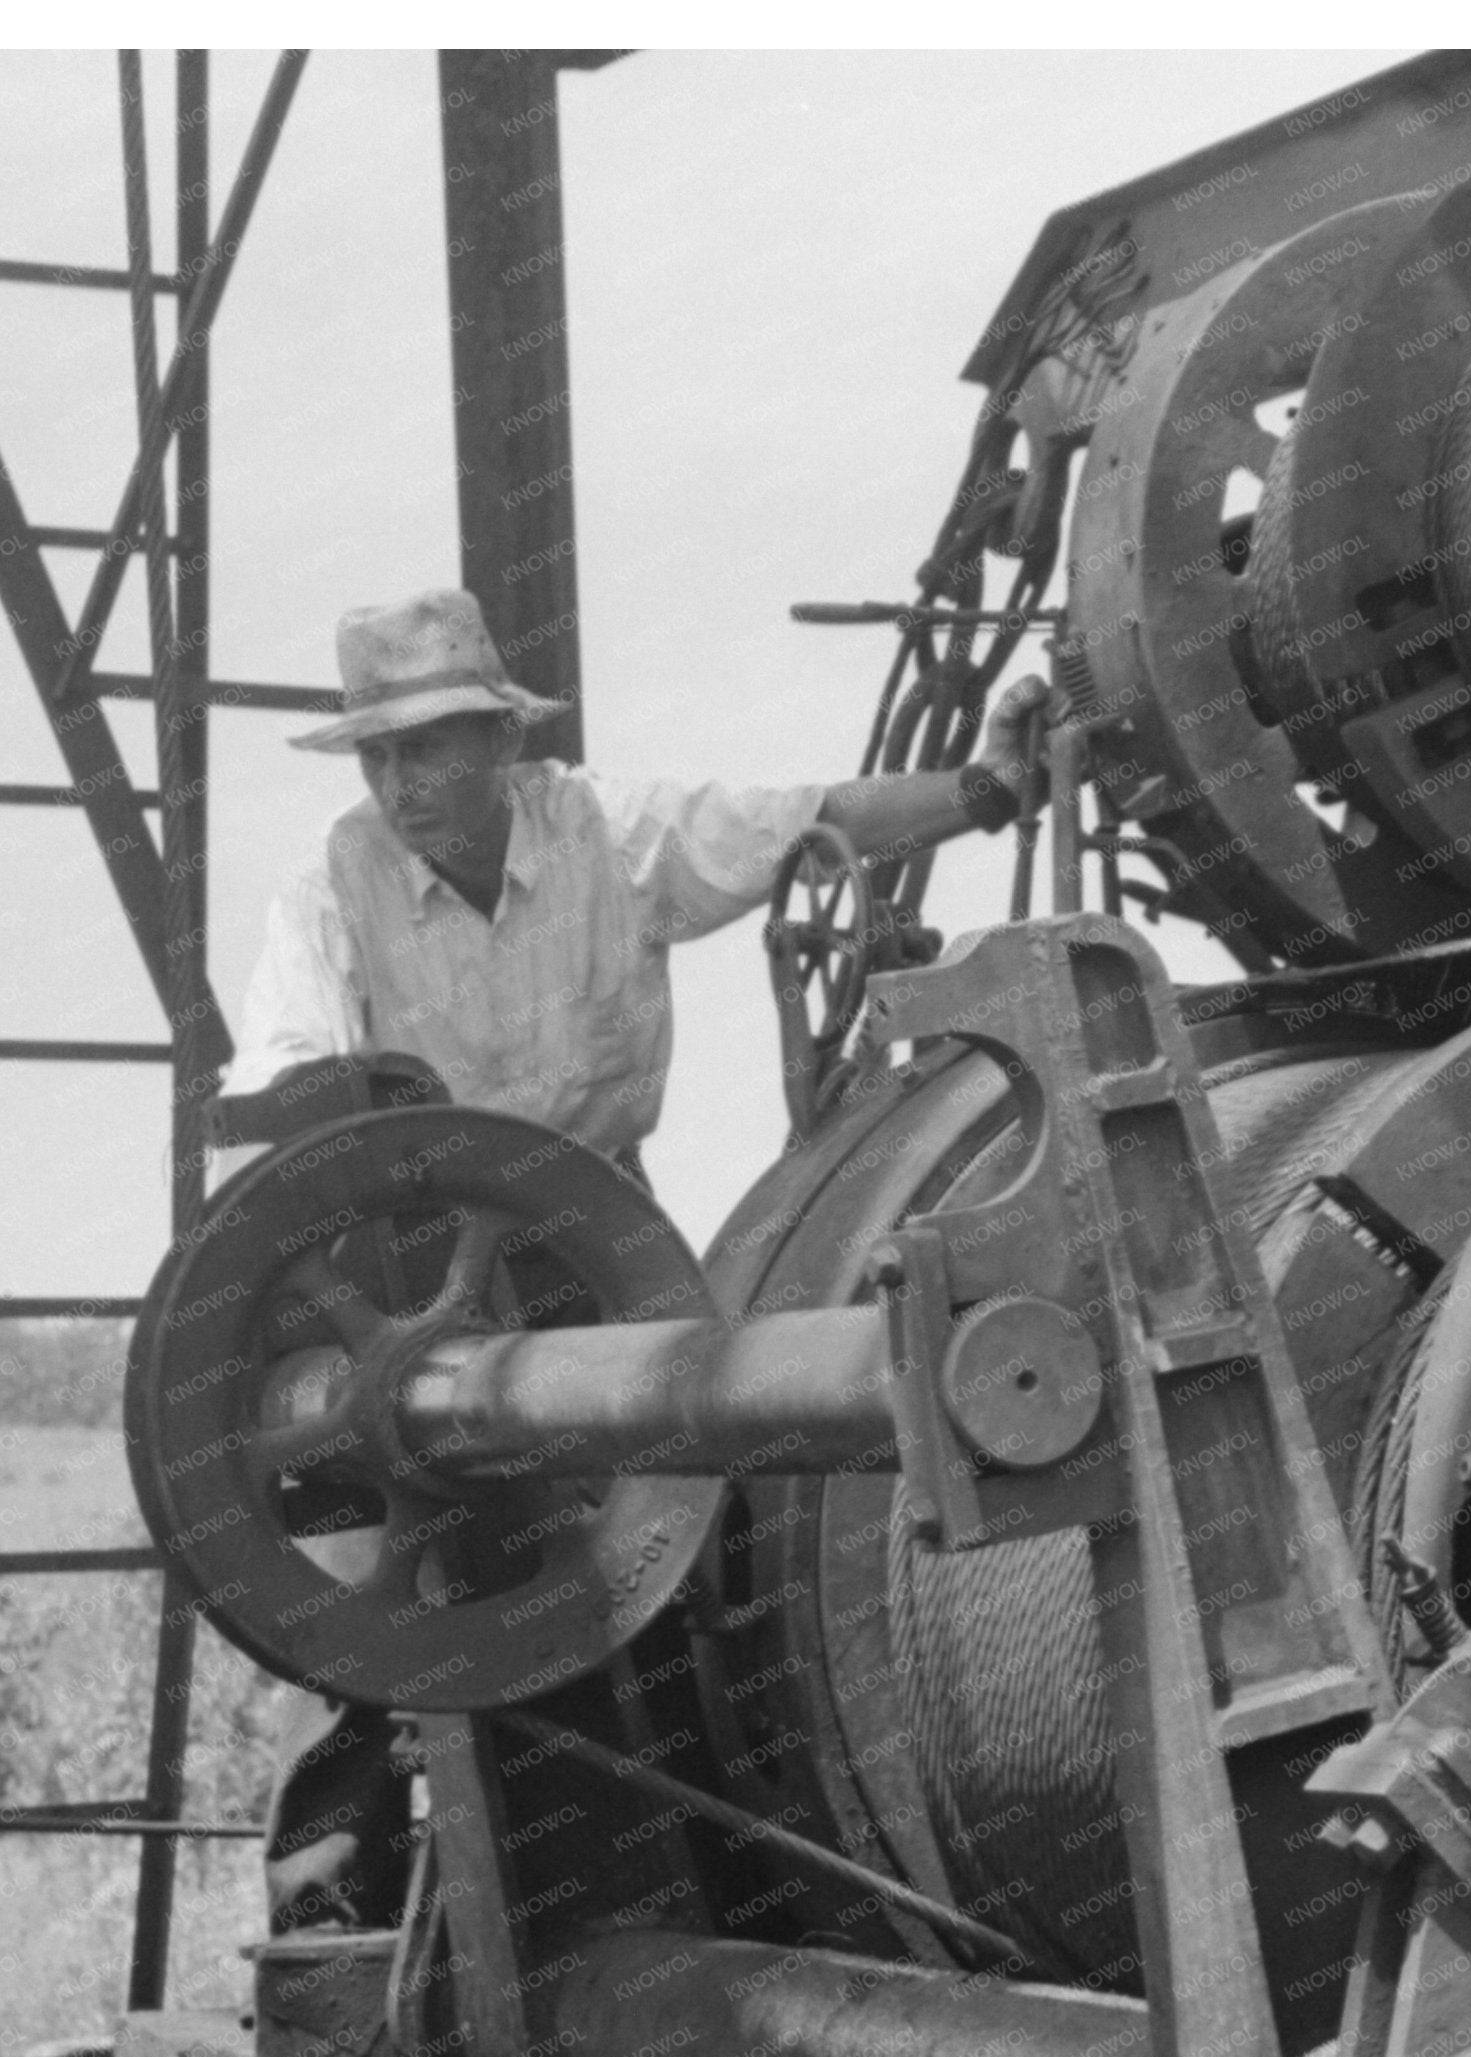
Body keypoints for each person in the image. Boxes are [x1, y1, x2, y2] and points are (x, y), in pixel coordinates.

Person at [226, 587, 1040, 1930]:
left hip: (586, 1259)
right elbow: (283, 1085)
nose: (399, 779)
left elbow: (803, 822)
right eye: (377, 753)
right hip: (405, 1283)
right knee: (394, 1627)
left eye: (426, 745)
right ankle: (344, 1919)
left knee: (664, 1568)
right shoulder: (329, 892)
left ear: (501, 743)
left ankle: (713, 1901)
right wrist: (342, 1105)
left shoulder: (613, 835)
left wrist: (989, 791)